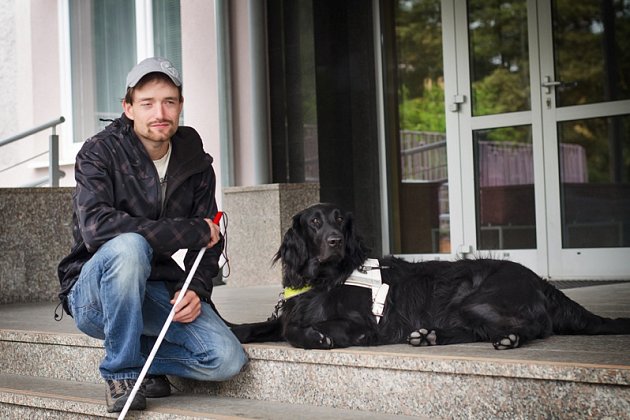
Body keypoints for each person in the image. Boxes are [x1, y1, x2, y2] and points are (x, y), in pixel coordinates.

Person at [57, 57, 247, 413]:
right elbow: (98, 229)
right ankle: (122, 372)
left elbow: (210, 235)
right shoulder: (99, 152)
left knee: (226, 359)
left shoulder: (193, 156)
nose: (160, 112)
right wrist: (189, 231)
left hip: (152, 287)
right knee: (129, 245)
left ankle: (144, 360)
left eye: (169, 101)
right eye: (147, 103)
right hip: (93, 294)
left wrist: (196, 288)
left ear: (180, 106)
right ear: (128, 108)